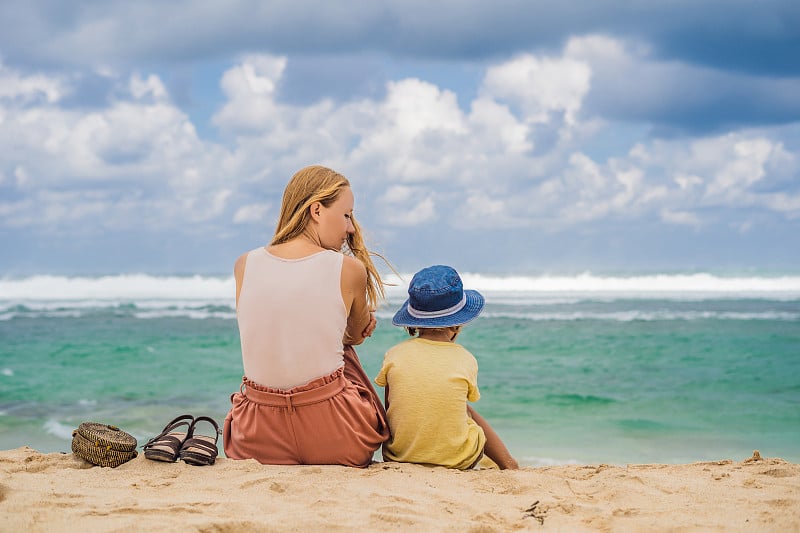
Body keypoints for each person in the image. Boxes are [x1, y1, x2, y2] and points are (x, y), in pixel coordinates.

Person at [223, 165, 389, 467]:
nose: (350, 228)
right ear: (316, 210)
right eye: (346, 215)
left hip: (255, 439)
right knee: (345, 352)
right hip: (337, 437)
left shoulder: (244, 264)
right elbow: (354, 337)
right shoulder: (349, 269)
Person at [375, 265, 519, 470]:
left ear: (413, 321)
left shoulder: (394, 355)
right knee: (468, 415)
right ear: (458, 323)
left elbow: (392, 408)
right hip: (457, 461)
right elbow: (460, 407)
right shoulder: (465, 359)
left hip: (399, 457)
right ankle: (508, 463)